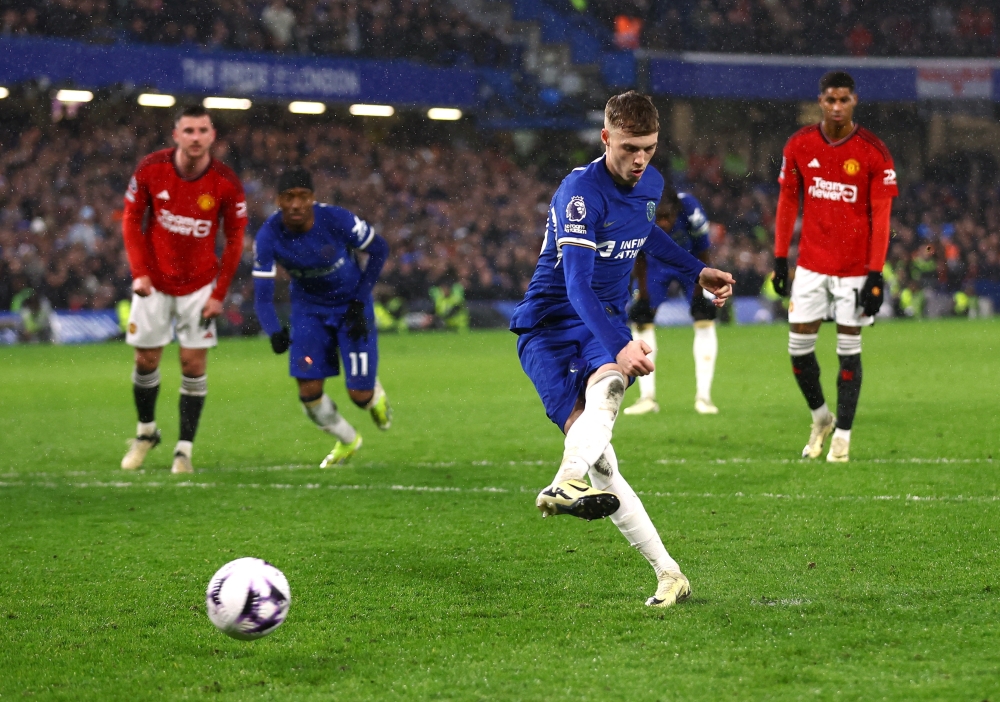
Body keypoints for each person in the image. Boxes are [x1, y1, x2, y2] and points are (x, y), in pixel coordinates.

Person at [509, 92, 735, 608]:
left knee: (609, 388)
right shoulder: (579, 194)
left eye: (650, 149)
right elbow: (577, 289)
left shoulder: (650, 184)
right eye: (630, 147)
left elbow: (644, 233)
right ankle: (669, 572)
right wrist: (623, 344)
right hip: (548, 327)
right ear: (606, 137)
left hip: (601, 323)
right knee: (603, 466)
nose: (640, 160)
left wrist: (695, 268)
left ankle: (565, 482)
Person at [772, 71, 897, 463]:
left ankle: (843, 434)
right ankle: (820, 417)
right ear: (821, 101)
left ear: (854, 101)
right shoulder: (800, 144)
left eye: (844, 100)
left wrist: (875, 274)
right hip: (810, 266)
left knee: (848, 352)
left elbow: (882, 214)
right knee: (798, 352)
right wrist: (780, 257)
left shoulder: (874, 151)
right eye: (830, 100)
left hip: (855, 270)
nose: (837, 107)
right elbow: (788, 203)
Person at [120, 104, 248, 474]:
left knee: (192, 363)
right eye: (188, 131)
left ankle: (184, 450)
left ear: (213, 136)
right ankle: (146, 433)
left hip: (198, 286)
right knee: (146, 360)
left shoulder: (225, 182)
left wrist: (219, 293)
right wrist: (140, 272)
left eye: (202, 131)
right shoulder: (150, 168)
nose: (196, 138)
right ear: (176, 134)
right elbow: (131, 219)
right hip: (154, 283)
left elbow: (236, 239)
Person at [252, 167, 391, 467]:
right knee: (309, 391)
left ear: (313, 198)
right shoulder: (268, 236)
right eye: (289, 197)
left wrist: (360, 297)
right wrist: (274, 331)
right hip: (309, 311)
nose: (296, 204)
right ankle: (347, 438)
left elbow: (379, 249)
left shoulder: (337, 220)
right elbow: (262, 296)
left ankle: (373, 394)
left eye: (303, 197)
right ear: (278, 200)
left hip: (352, 307)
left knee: (359, 396)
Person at [624, 186, 719, 415]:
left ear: (676, 209)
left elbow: (703, 250)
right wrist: (644, 294)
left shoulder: (691, 209)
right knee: (642, 317)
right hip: (655, 266)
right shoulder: (640, 210)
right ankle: (647, 398)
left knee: (703, 316)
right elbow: (639, 256)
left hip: (690, 265)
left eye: (668, 216)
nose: (664, 223)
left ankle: (703, 398)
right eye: (659, 217)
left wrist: (700, 291)